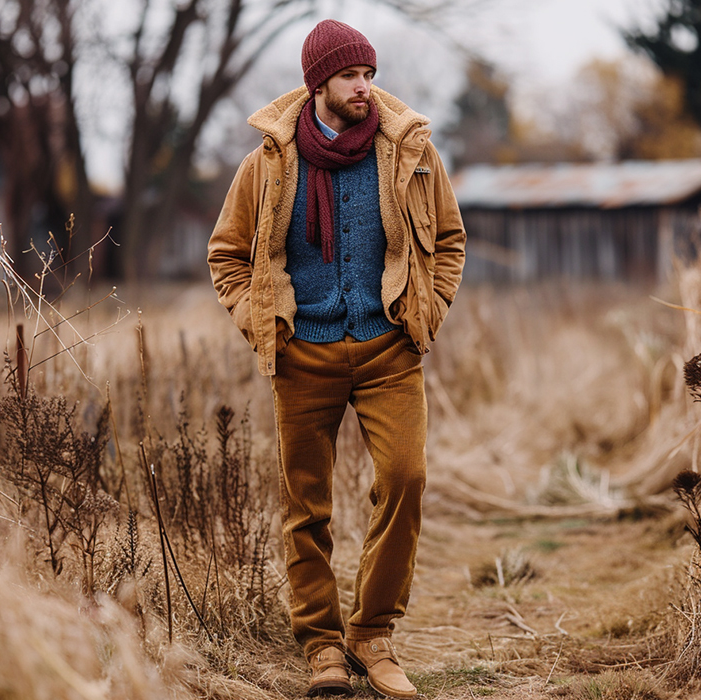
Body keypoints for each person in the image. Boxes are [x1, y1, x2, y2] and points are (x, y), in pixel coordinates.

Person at [208, 18, 465, 699]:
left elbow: (450, 239)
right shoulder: (267, 163)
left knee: (405, 478)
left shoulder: (410, 152)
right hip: (303, 356)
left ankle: (372, 635)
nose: (365, 88)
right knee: (306, 506)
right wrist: (263, 322)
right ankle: (321, 644)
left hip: (389, 350)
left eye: (371, 76)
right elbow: (227, 256)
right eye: (353, 76)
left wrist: (426, 310)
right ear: (318, 81)